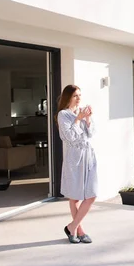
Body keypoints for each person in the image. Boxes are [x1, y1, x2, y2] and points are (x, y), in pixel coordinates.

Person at [56, 85, 97, 244]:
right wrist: (79, 118)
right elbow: (69, 137)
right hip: (75, 158)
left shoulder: (80, 112)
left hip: (89, 156)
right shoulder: (63, 115)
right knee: (74, 198)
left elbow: (91, 133)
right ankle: (79, 230)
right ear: (68, 97)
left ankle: (71, 226)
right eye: (75, 96)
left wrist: (87, 118)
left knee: (91, 195)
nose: (78, 98)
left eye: (80, 95)